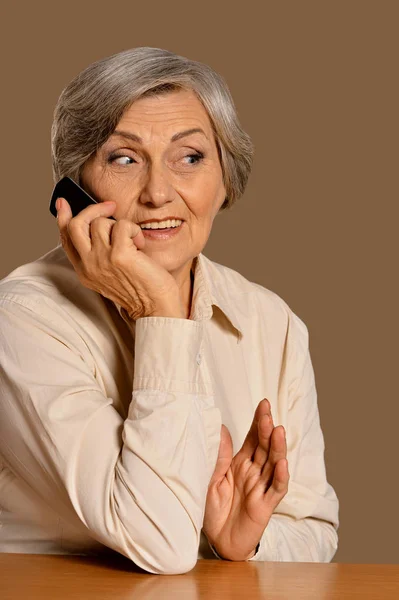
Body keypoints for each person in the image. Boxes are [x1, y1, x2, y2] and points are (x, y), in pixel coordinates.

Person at [0, 47, 339, 575]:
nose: (158, 193)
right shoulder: (23, 319)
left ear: (225, 179)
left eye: (190, 158)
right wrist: (161, 314)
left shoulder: (270, 322)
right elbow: (158, 545)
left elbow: (315, 530)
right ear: (75, 187)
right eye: (124, 159)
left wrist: (242, 545)